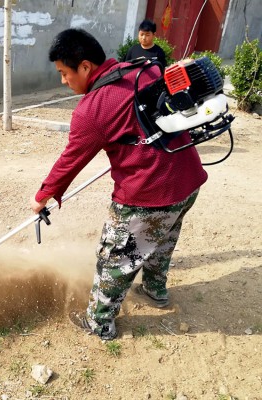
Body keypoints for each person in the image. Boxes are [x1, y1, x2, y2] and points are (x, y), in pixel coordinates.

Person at [30, 28, 207, 340]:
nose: (63, 81)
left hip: (150, 193)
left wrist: (44, 195)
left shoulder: (92, 109)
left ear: (85, 67)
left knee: (115, 257)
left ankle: (99, 322)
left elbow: (71, 159)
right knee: (162, 237)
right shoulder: (144, 69)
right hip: (189, 179)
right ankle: (155, 289)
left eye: (64, 73)